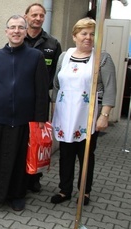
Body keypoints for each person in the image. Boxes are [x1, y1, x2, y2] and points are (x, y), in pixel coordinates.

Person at [0, 15, 49, 211]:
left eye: (20, 27)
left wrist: (40, 118)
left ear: (26, 31)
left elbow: (42, 90)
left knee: (19, 159)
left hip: (23, 119)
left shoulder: (36, 56)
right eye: (12, 27)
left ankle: (17, 195)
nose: (16, 31)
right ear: (6, 31)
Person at [50, 17, 116, 206]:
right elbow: (56, 85)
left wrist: (104, 115)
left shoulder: (102, 58)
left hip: (88, 116)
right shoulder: (64, 56)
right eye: (83, 33)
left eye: (92, 34)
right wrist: (55, 109)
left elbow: (110, 88)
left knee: (86, 154)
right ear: (74, 36)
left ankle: (84, 191)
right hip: (65, 115)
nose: (88, 37)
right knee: (65, 154)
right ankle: (65, 190)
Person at [24, 2, 62, 193]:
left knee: (37, 139)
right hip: (19, 99)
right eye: (34, 15)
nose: (38, 18)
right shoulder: (18, 37)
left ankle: (35, 177)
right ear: (26, 16)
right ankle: (20, 174)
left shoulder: (52, 44)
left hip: (40, 100)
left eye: (41, 15)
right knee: (21, 137)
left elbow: (56, 75)